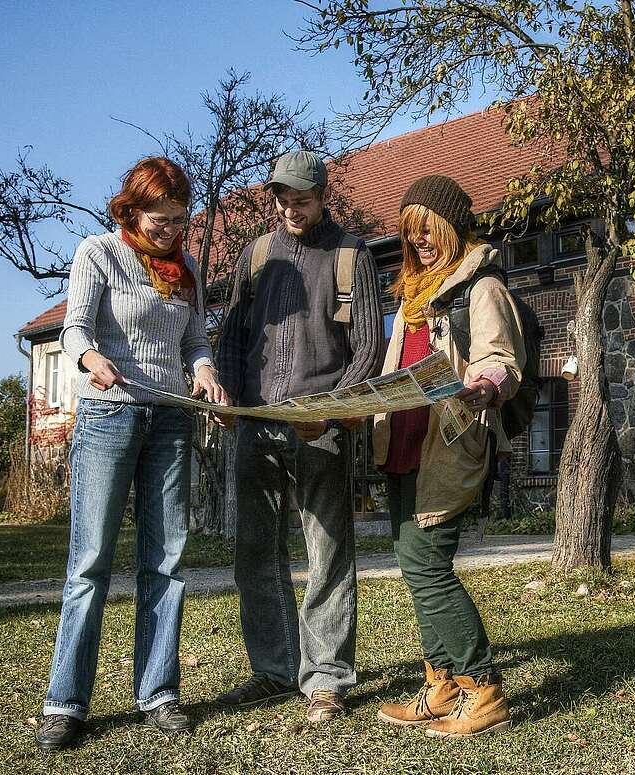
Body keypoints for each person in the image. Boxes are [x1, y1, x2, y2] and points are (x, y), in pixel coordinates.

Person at [37, 157, 227, 751]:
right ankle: (65, 703)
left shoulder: (188, 269)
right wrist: (91, 359)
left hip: (170, 418)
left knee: (166, 561)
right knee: (90, 560)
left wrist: (205, 371)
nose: (170, 231)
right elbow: (73, 330)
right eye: (158, 219)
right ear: (131, 210)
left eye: (178, 220)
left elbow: (194, 338)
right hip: (110, 414)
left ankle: (159, 695)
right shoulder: (98, 253)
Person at [214, 151, 384, 723]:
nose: (290, 208)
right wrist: (227, 399)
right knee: (256, 553)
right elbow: (233, 339)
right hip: (257, 423)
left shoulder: (351, 255)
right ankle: (275, 669)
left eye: (301, 199)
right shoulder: (256, 256)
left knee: (327, 551)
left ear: (322, 196)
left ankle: (327, 679)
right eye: (283, 199)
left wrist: (334, 413)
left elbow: (366, 347)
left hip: (320, 429)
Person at [373, 175, 524, 738]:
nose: (421, 243)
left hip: (447, 444)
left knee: (430, 569)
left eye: (429, 231)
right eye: (411, 234)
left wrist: (484, 383)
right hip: (403, 443)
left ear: (453, 228)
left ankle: (482, 689)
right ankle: (442, 684)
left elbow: (498, 357)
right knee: (417, 571)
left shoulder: (479, 287)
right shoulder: (415, 296)